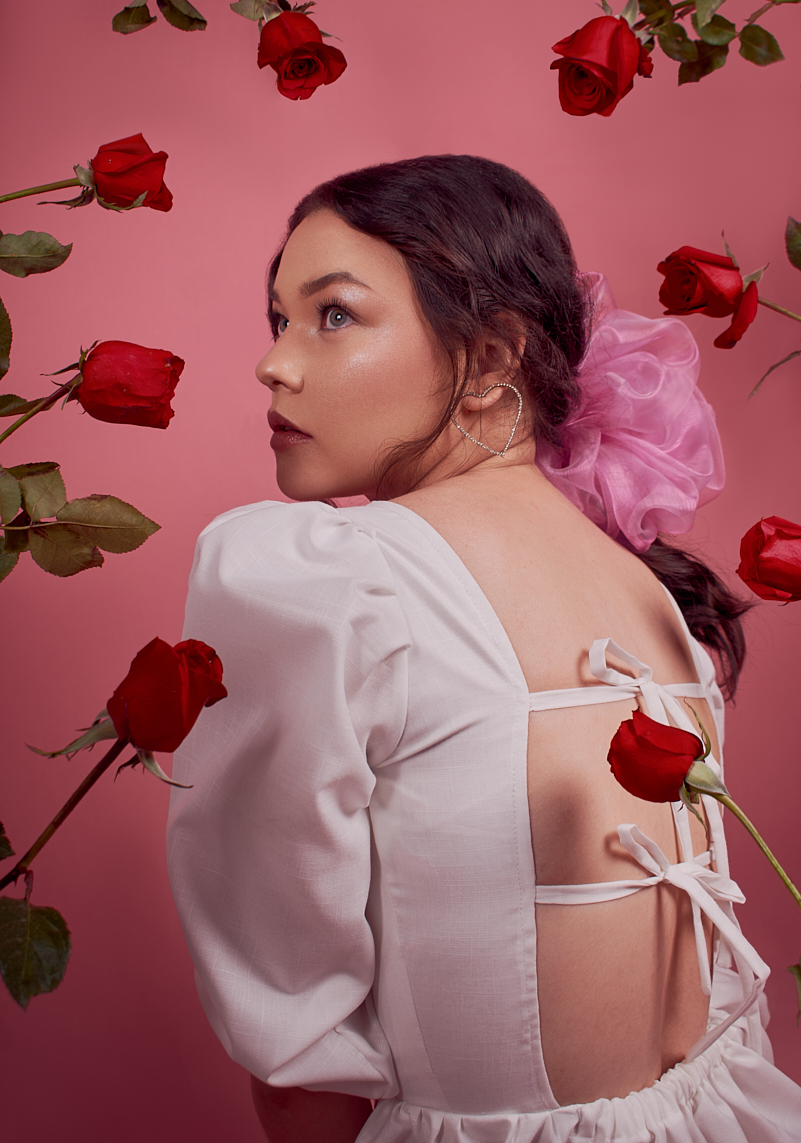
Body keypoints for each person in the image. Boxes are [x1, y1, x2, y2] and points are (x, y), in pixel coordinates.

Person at [166, 155, 801, 1142]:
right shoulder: (641, 587)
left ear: (497, 358)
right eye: (278, 319)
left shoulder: (344, 585)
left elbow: (298, 1067)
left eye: (333, 316)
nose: (275, 363)